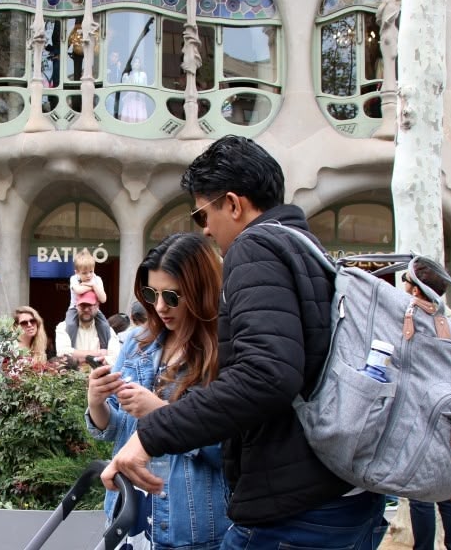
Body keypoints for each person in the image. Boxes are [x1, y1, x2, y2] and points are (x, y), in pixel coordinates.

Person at [102, 135, 386, 548]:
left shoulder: (256, 247)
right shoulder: (305, 246)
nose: (206, 230)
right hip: (343, 495)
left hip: (294, 507)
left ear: (233, 204)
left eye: (203, 215)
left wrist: (152, 433)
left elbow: (265, 375)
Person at [87, 232, 231, 549]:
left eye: (174, 297)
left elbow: (230, 450)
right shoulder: (139, 342)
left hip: (190, 524)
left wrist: (162, 413)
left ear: (201, 292)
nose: (161, 307)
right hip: (129, 513)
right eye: (152, 295)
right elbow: (113, 429)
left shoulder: (223, 351)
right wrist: (97, 402)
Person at [403, 265, 451, 550]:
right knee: (448, 493)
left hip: (421, 410)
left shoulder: (412, 317)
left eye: (406, 282)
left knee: (420, 493)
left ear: (416, 289)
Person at [55, 290, 119, 367]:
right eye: (83, 305)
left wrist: (77, 357)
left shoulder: (107, 330)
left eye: (90, 305)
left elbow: (115, 357)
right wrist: (100, 353)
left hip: (99, 376)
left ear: (97, 306)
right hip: (73, 377)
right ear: (76, 306)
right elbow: (63, 354)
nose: (86, 309)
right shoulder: (63, 327)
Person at [66, 249, 111, 335]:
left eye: (91, 271)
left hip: (94, 309)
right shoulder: (74, 278)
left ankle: (104, 347)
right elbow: (78, 290)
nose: (89, 275)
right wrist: (93, 287)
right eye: (84, 273)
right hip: (75, 308)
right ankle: (71, 346)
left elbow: (103, 299)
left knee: (104, 325)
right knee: (70, 325)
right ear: (77, 272)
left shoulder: (97, 279)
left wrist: (93, 285)